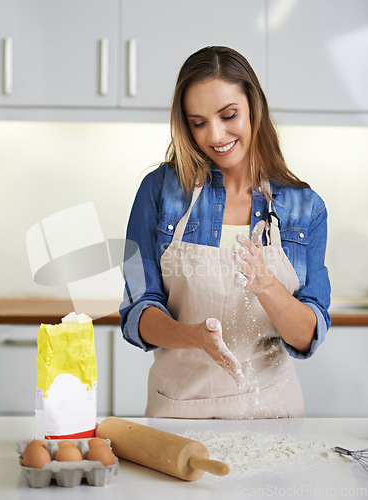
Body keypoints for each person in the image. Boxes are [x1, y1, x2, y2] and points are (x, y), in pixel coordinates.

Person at [119, 46, 331, 419]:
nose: (215, 136)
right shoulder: (159, 191)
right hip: (179, 409)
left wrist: (267, 286)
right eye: (198, 122)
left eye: (228, 115)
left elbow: (305, 336)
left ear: (253, 107)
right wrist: (192, 337)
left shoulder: (304, 207)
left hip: (271, 411)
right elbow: (137, 310)